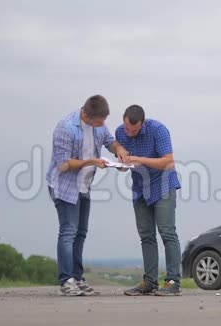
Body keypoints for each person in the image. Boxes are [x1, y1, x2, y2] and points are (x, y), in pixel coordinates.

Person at [46, 95, 129, 296]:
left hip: (84, 186)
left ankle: (77, 277)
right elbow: (64, 165)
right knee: (68, 232)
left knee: (81, 232)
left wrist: (119, 150)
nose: (103, 125)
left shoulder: (98, 125)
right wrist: (92, 161)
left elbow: (110, 141)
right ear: (87, 115)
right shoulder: (65, 128)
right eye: (100, 122)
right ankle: (66, 281)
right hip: (64, 186)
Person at [116, 105, 182, 296]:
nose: (129, 133)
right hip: (140, 188)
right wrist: (120, 164)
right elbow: (124, 165)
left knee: (167, 232)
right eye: (127, 129)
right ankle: (149, 282)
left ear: (142, 123)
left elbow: (169, 162)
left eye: (134, 131)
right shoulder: (120, 132)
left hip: (162, 185)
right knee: (146, 236)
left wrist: (141, 160)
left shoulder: (158, 130)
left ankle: (172, 281)